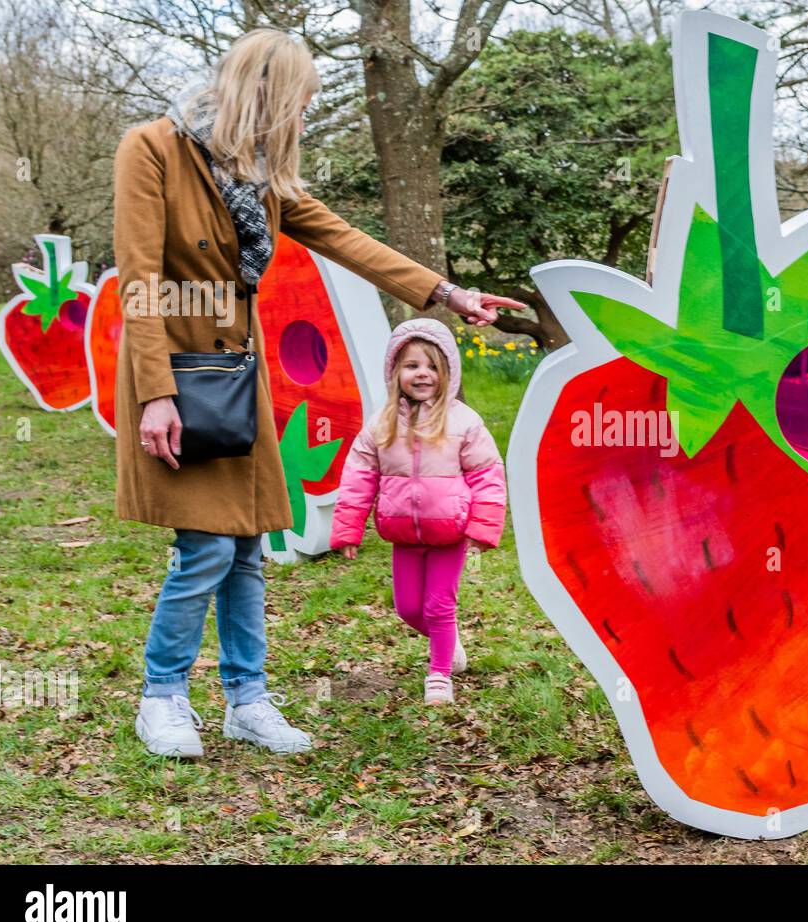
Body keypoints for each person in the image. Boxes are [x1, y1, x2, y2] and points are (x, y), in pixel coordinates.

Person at [114, 27, 525, 757]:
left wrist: (446, 294)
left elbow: (342, 237)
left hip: (235, 383)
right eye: (299, 104)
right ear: (263, 94)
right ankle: (163, 695)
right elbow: (140, 281)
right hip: (177, 379)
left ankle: (248, 699)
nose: (302, 121)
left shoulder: (260, 174)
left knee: (244, 552)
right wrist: (153, 394)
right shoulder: (152, 149)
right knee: (205, 549)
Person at [330, 320, 506, 705]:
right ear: (395, 372)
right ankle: (449, 641)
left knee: (439, 605)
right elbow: (359, 477)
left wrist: (483, 526)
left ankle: (440, 674)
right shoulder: (382, 423)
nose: (421, 373)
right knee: (409, 608)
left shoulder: (463, 422)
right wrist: (348, 529)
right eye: (411, 366)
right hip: (403, 535)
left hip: (449, 533)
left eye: (431, 366)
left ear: (447, 374)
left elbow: (487, 475)